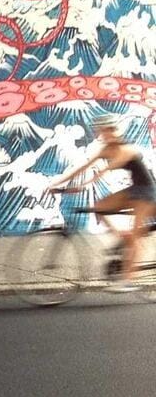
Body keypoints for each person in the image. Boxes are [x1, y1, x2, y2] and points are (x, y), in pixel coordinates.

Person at [49, 114, 156, 292]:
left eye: (108, 131)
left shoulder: (126, 149)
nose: (105, 134)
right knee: (99, 206)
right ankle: (121, 236)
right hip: (133, 190)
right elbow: (82, 168)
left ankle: (127, 281)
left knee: (135, 237)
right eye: (102, 131)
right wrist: (57, 183)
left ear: (115, 132)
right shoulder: (105, 149)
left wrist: (81, 186)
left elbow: (104, 170)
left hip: (147, 193)